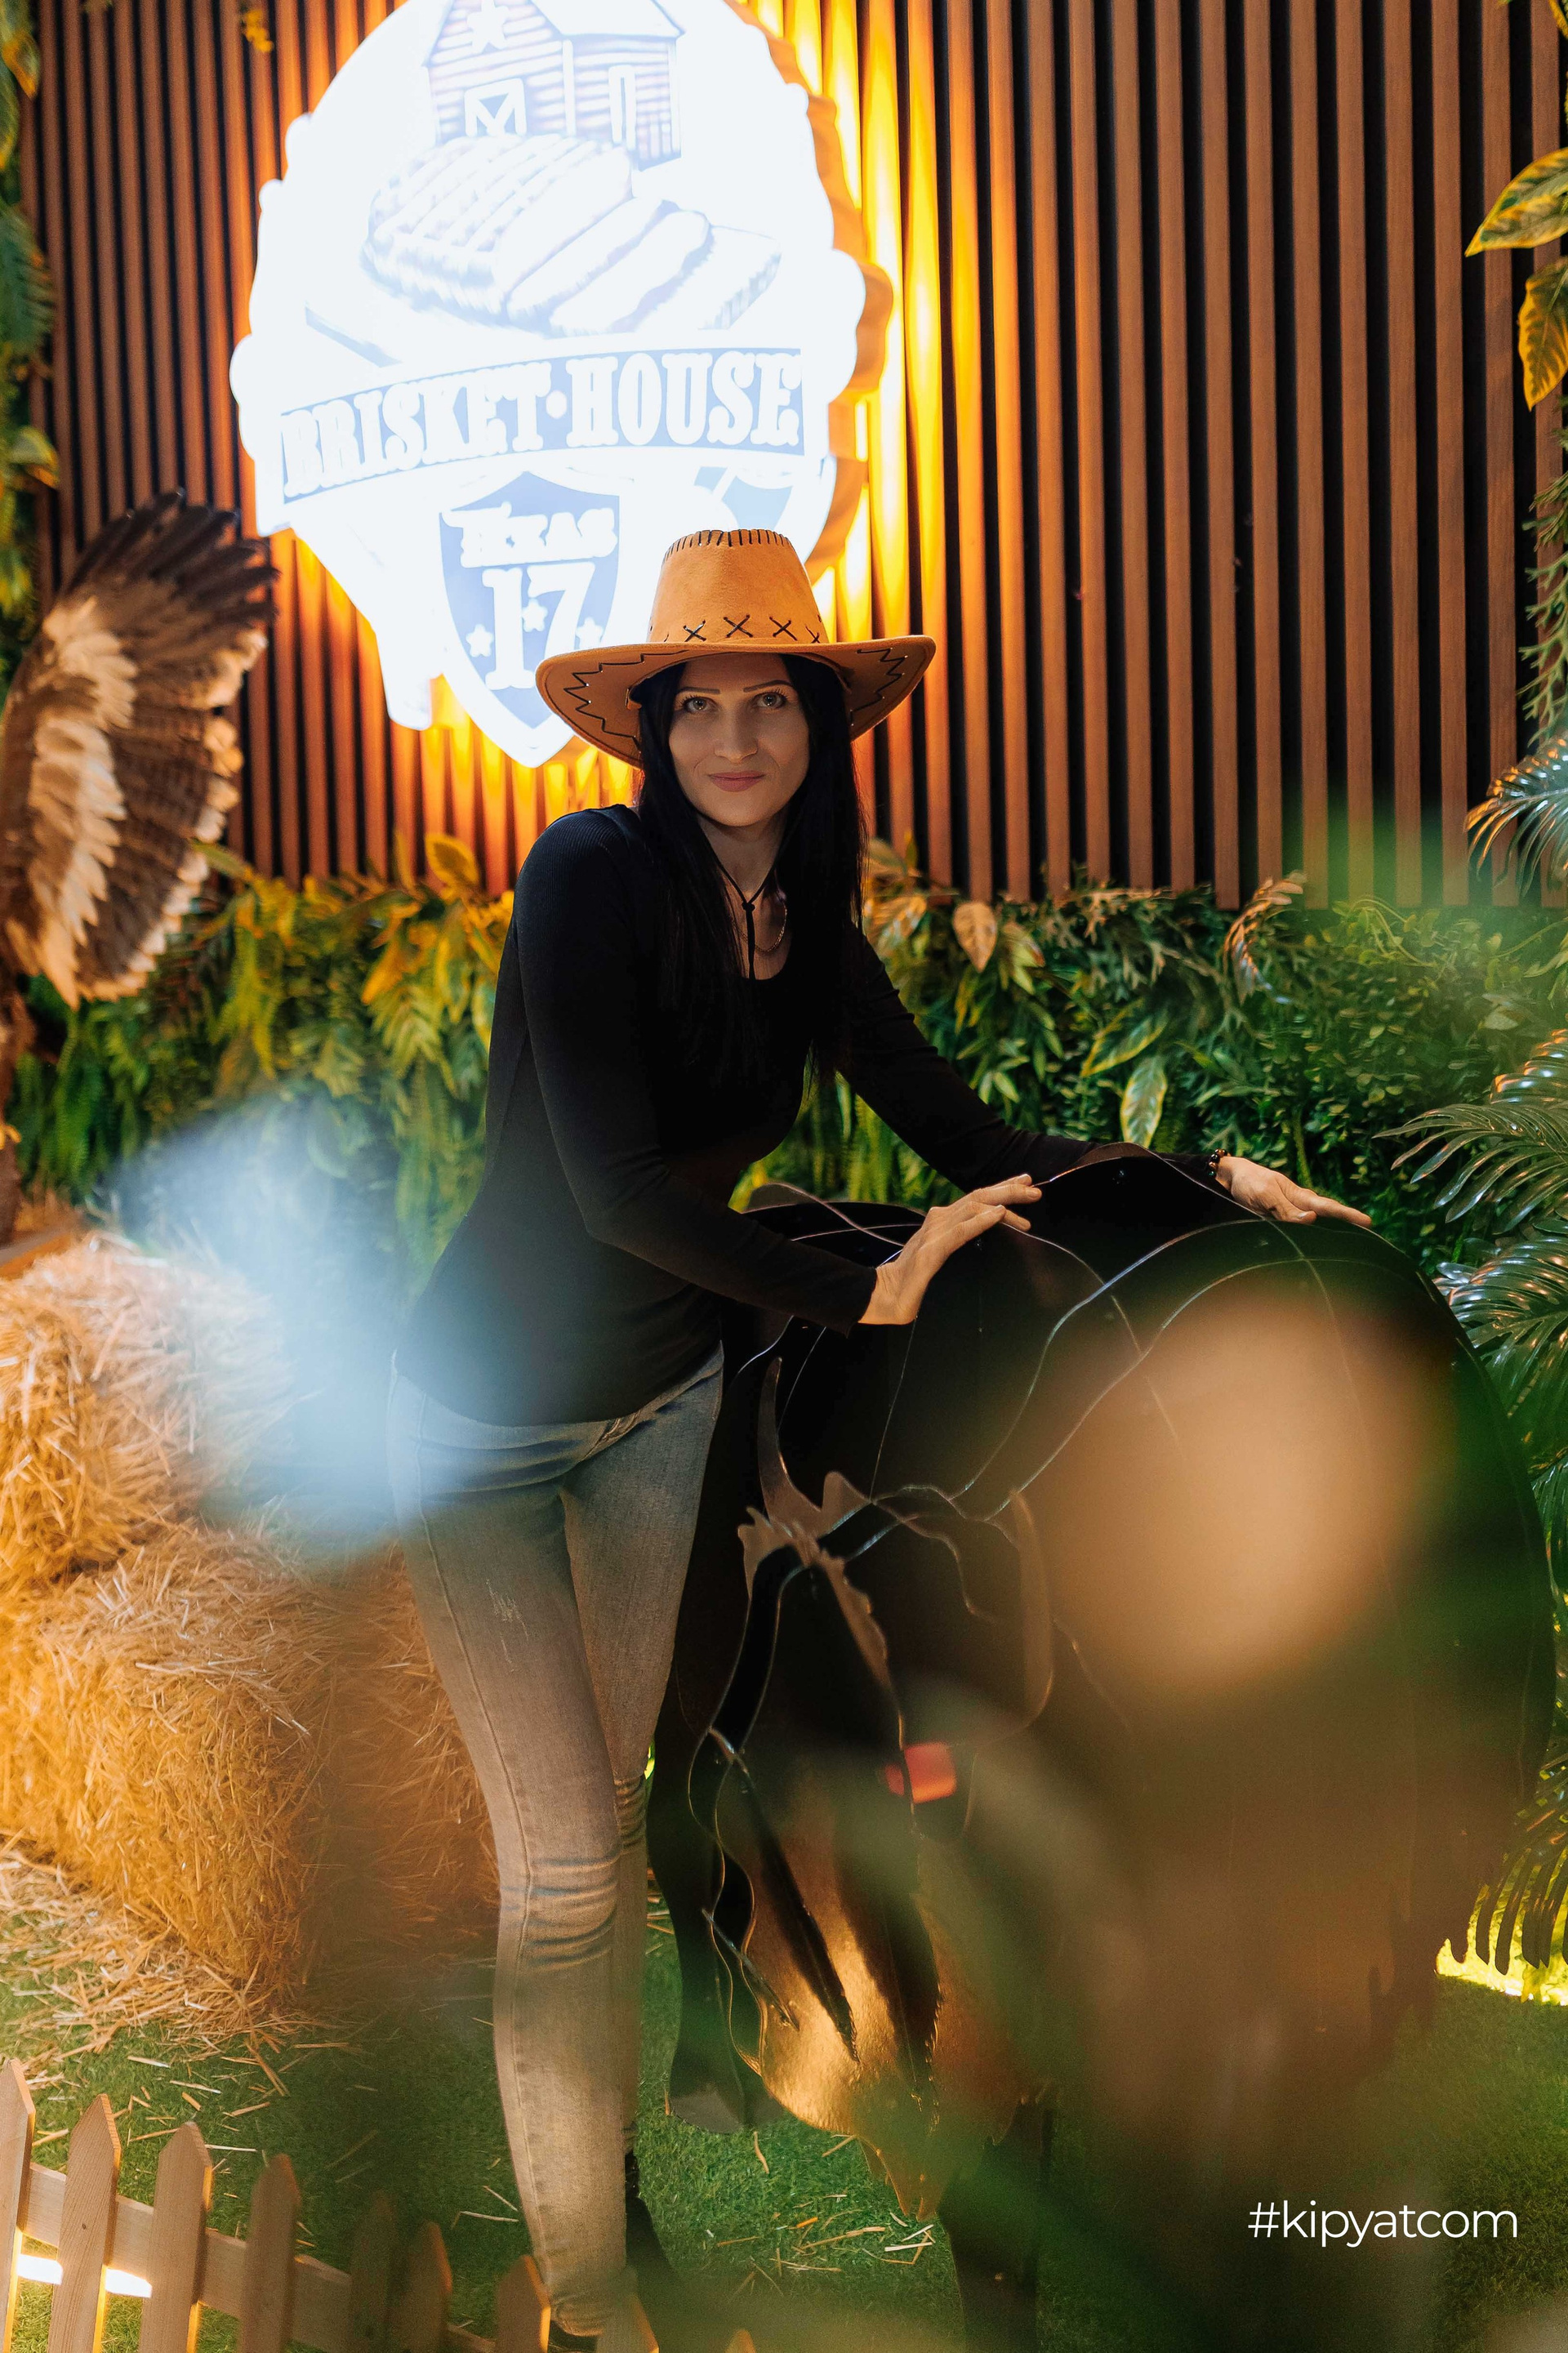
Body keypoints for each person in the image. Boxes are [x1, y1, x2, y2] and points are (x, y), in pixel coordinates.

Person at [385, 528, 1368, 2351]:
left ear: (818, 727)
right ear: (655, 727)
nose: (736, 737)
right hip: (482, 1424)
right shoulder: (589, 875)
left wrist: (1215, 1182)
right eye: (702, 705)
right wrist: (867, 1294)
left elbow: (970, 1140)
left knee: (628, 1805)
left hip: (661, 1405)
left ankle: (610, 2170)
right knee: (571, 1872)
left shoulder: (805, 927)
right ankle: (591, 2299)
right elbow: (610, 1195)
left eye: (771, 701)